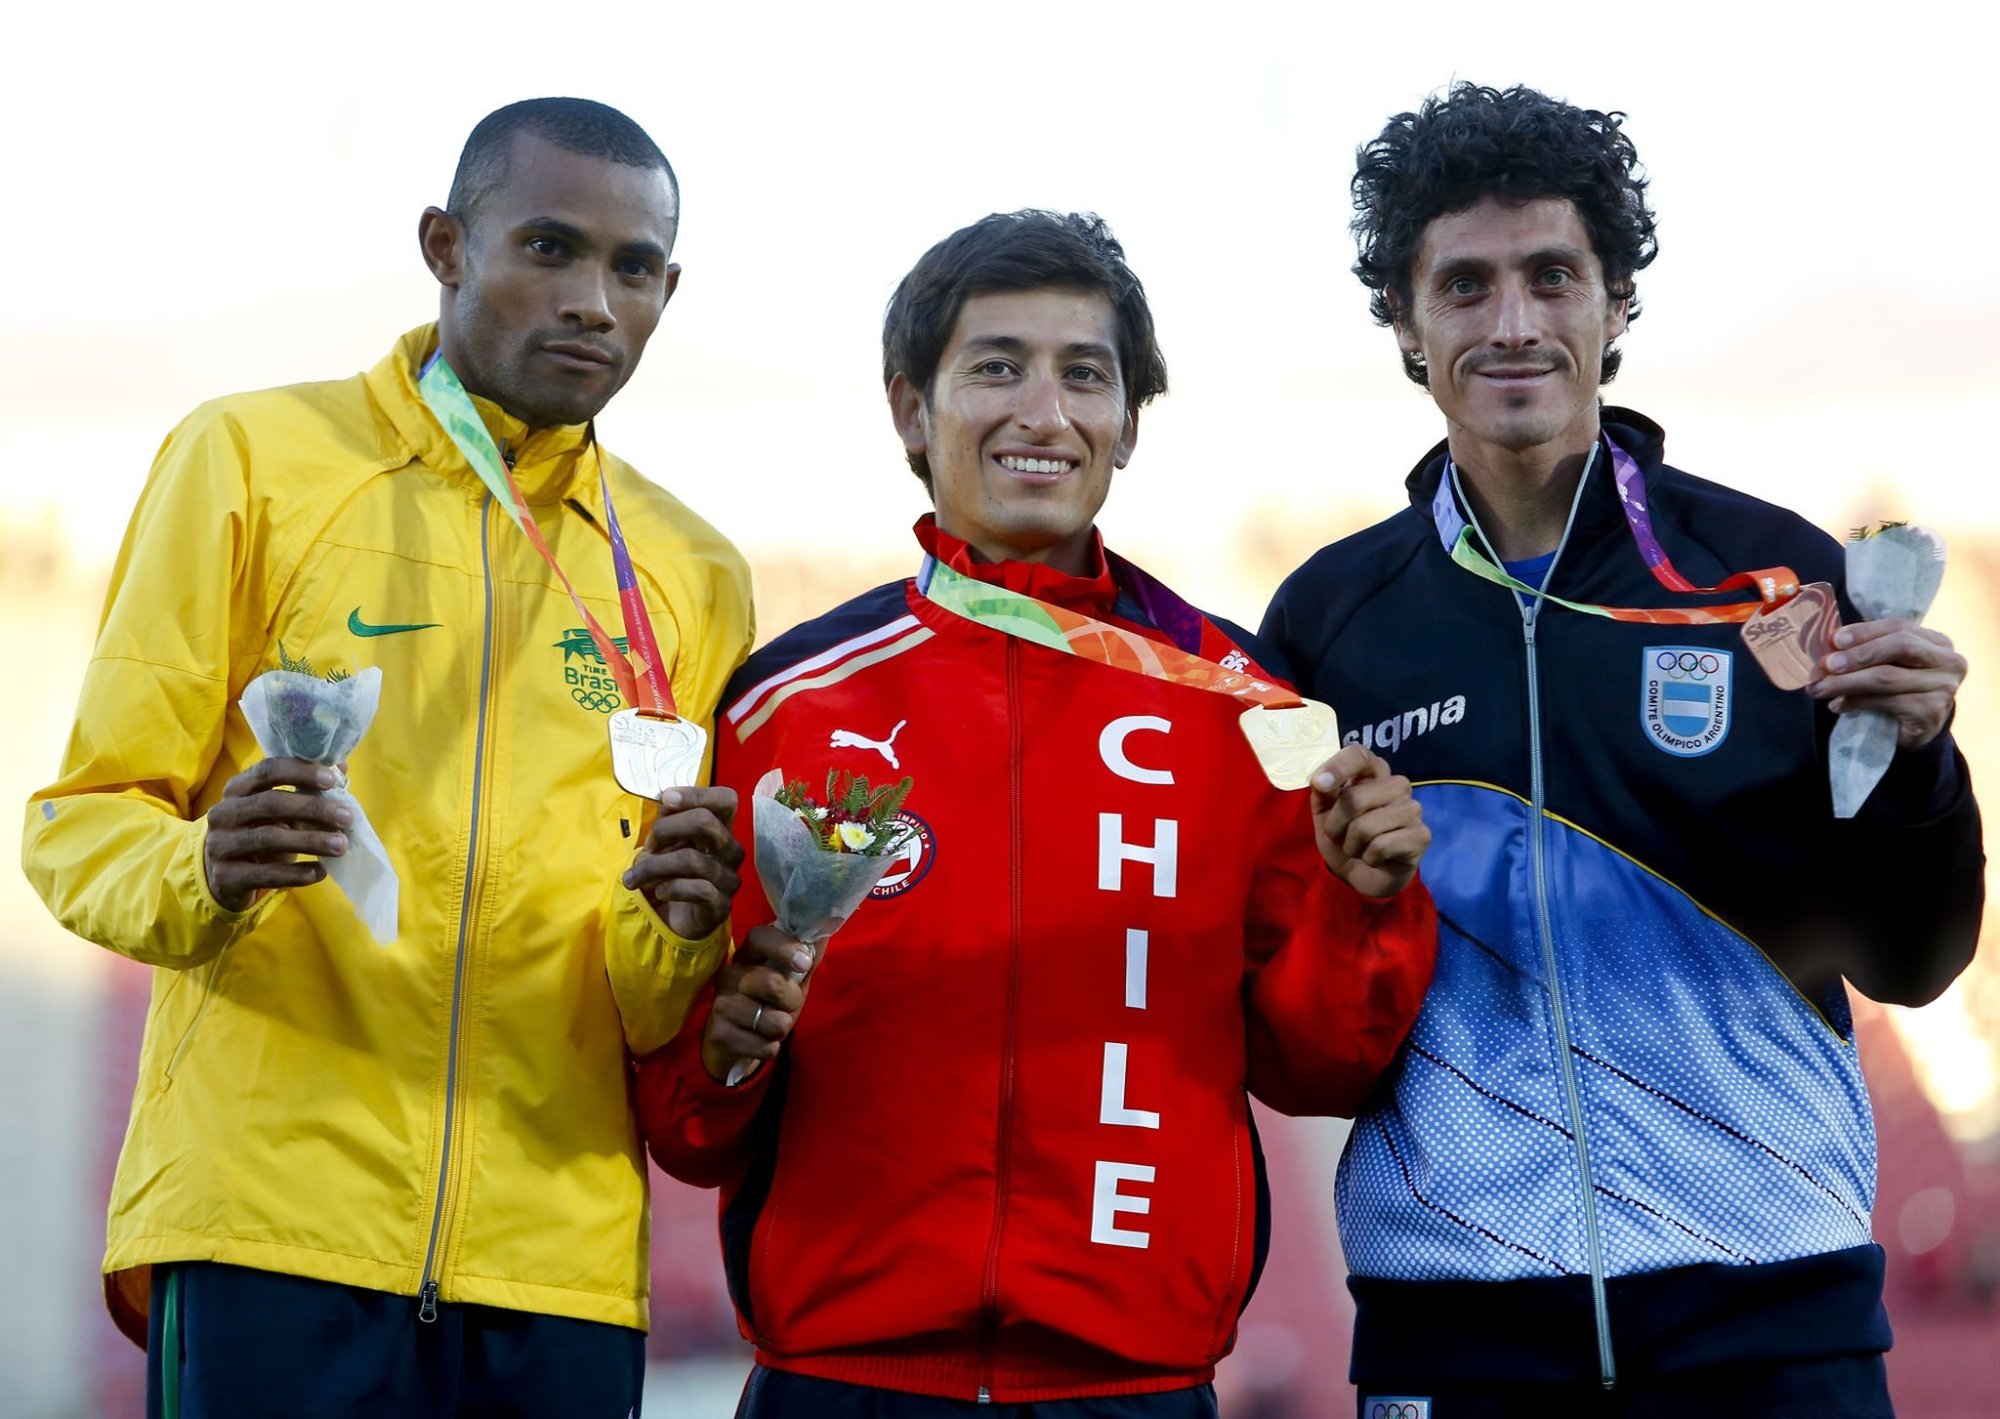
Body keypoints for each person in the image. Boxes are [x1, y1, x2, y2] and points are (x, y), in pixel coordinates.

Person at [1260, 82, 1985, 1418]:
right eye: (1464, 285)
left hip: (1770, 1320)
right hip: (1455, 1331)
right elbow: (1290, 1030)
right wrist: (1351, 906)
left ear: (1616, 303)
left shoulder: (1768, 579)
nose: (1513, 323)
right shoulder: (1326, 626)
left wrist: (1923, 763)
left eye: (1552, 276)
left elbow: (1913, 958)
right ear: (1406, 324)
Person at [638, 209, 1439, 1417]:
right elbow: (694, 1128)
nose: (1042, 412)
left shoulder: (1243, 706)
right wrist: (718, 1041)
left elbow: (1318, 1068)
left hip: (1134, 1386)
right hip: (840, 1381)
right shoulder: (782, 707)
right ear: (911, 409)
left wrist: (1363, 903)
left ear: (1127, 424)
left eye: (1084, 375)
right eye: (996, 367)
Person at [21, 97, 753, 1418]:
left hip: (559, 1267)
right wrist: (204, 867)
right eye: (549, 246)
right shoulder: (252, 460)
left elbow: (648, 998)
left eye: (634, 268)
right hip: (271, 1228)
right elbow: (83, 823)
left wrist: (682, 927)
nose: (593, 301)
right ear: (445, 247)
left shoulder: (689, 570)